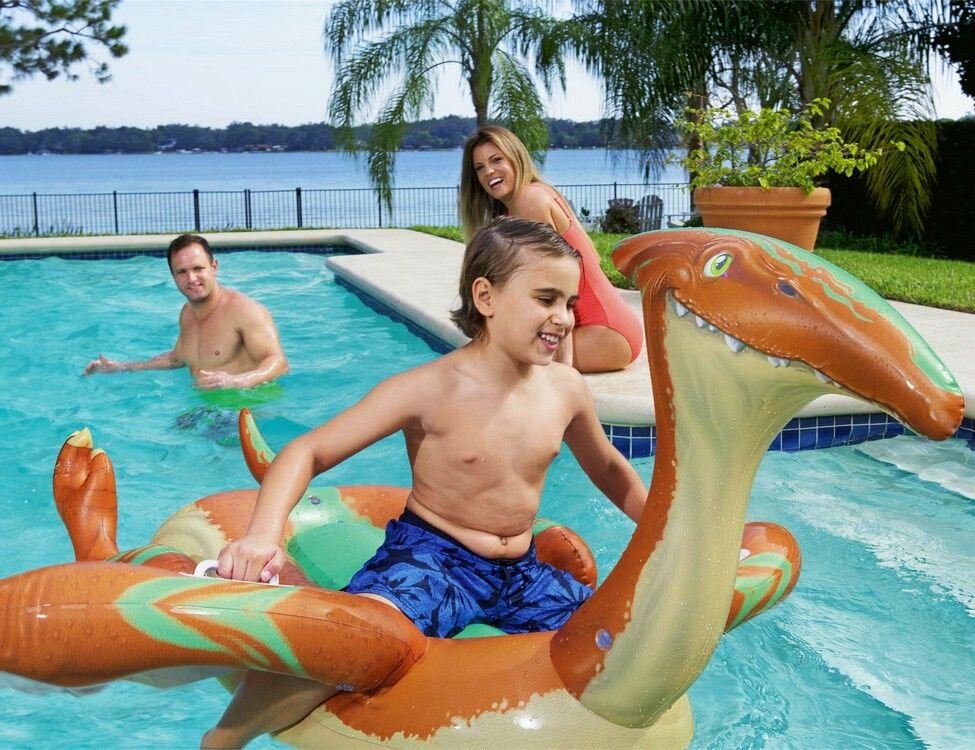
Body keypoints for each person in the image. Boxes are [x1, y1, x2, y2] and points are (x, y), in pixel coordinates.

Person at [201, 217, 648, 748]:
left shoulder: (565, 389)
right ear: (486, 296)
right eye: (546, 299)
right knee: (359, 641)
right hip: (433, 558)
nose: (564, 319)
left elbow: (608, 468)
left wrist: (664, 526)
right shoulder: (429, 389)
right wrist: (262, 536)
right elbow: (308, 450)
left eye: (570, 303)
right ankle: (224, 738)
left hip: (522, 573)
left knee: (622, 641)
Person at [460, 125, 644, 373]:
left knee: (495, 361)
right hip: (601, 327)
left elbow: (555, 284)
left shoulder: (529, 200)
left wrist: (562, 366)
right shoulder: (515, 205)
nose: (489, 172)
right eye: (479, 168)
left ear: (515, 158)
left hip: (604, 332)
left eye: (496, 160)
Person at [83, 233, 289, 390]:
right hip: (206, 407)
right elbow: (176, 359)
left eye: (198, 268)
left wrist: (236, 381)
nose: (191, 278)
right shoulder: (188, 313)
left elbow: (279, 363)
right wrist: (122, 367)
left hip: (246, 410)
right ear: (173, 276)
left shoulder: (245, 311)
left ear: (214, 267)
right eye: (182, 272)